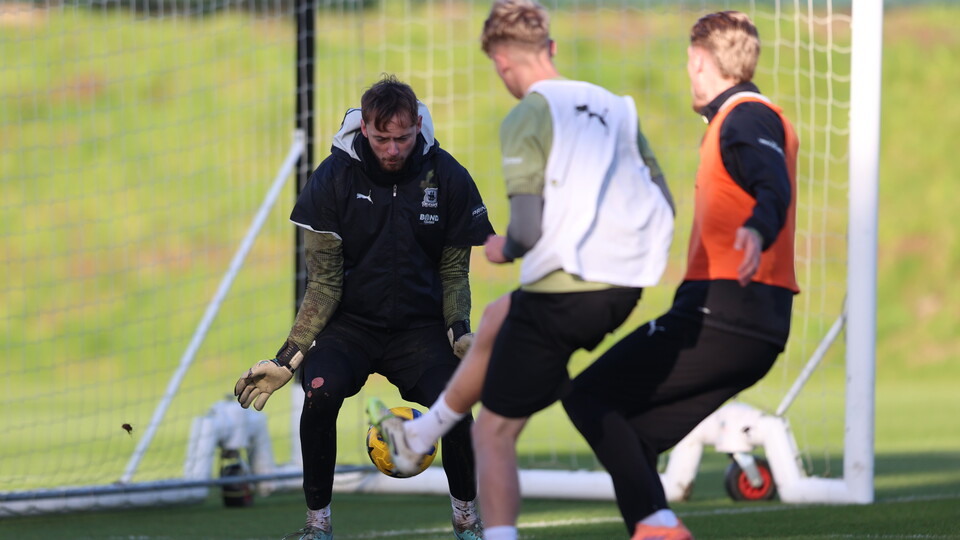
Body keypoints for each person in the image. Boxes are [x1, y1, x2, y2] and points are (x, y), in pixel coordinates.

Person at [369, 2, 675, 540]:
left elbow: (527, 230)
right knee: (497, 317)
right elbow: (662, 200)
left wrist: (503, 248)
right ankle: (420, 435)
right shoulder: (616, 106)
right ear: (550, 49)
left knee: (492, 433)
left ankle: (504, 531)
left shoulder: (526, 117)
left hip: (567, 288)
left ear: (502, 61)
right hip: (627, 284)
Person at [561, 11, 801, 540]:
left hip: (723, 314)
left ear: (698, 61)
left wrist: (758, 229)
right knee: (632, 435)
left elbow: (773, 186)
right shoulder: (748, 119)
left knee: (587, 397)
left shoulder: (744, 117)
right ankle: (657, 529)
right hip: (758, 326)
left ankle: (658, 525)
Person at [233, 74, 494, 540]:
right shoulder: (331, 179)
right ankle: (317, 526)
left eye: (403, 138)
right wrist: (287, 359)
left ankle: (468, 522)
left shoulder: (448, 176)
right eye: (381, 139)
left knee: (454, 405)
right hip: (349, 327)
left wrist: (459, 331)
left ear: (418, 126)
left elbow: (455, 272)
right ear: (364, 128)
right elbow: (324, 284)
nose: (392, 150)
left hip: (419, 330)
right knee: (319, 392)